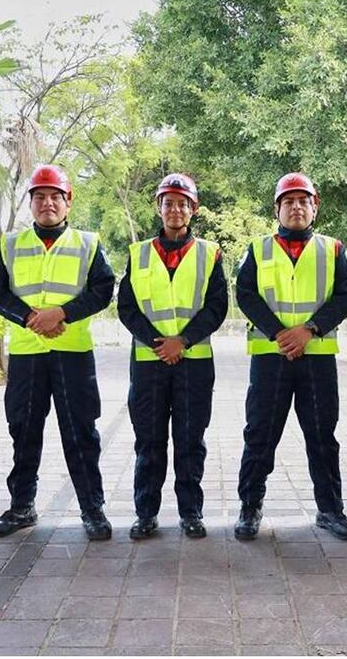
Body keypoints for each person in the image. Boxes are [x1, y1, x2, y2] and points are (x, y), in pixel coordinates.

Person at [0, 164, 115, 539]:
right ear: (30, 204)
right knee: (23, 431)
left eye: (55, 196)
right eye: (39, 197)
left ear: (68, 202)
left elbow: (103, 289)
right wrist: (28, 318)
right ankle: (21, 507)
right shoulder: (10, 245)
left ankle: (93, 510)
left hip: (72, 352)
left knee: (80, 432)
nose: (47, 203)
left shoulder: (88, 244)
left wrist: (63, 313)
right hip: (26, 354)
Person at [233, 172, 347, 541]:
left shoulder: (333, 249)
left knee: (322, 435)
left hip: (317, 357)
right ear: (278, 209)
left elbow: (345, 297)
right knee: (259, 434)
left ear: (314, 207)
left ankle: (330, 510)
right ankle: (250, 507)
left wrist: (309, 330)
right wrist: (279, 333)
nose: (297, 207)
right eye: (289, 202)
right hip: (270, 356)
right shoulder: (258, 249)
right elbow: (246, 294)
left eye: (304, 201)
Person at [117, 173, 228, 539]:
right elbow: (128, 307)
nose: (175, 209)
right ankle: (145, 514)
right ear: (159, 208)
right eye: (169, 203)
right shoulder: (139, 253)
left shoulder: (210, 253)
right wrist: (157, 342)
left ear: (193, 209)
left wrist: (183, 340)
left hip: (193, 364)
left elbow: (217, 307)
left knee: (190, 440)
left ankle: (191, 513)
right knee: (148, 442)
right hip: (149, 365)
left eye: (183, 203)